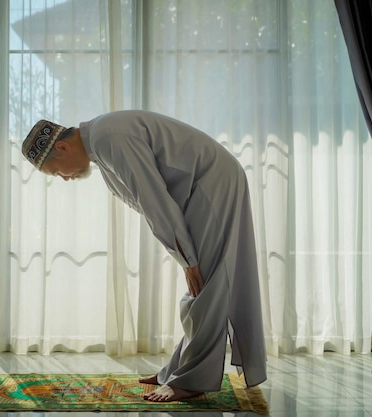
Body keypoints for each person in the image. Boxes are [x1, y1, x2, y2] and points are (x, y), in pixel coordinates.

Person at [21, 110, 267, 402]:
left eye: (56, 171)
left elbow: (154, 201)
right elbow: (147, 200)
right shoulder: (101, 143)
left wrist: (187, 259)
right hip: (204, 184)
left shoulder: (109, 138)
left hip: (211, 183)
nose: (64, 179)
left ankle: (192, 380)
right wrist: (185, 257)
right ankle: (177, 371)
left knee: (207, 284)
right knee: (200, 286)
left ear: (61, 147)